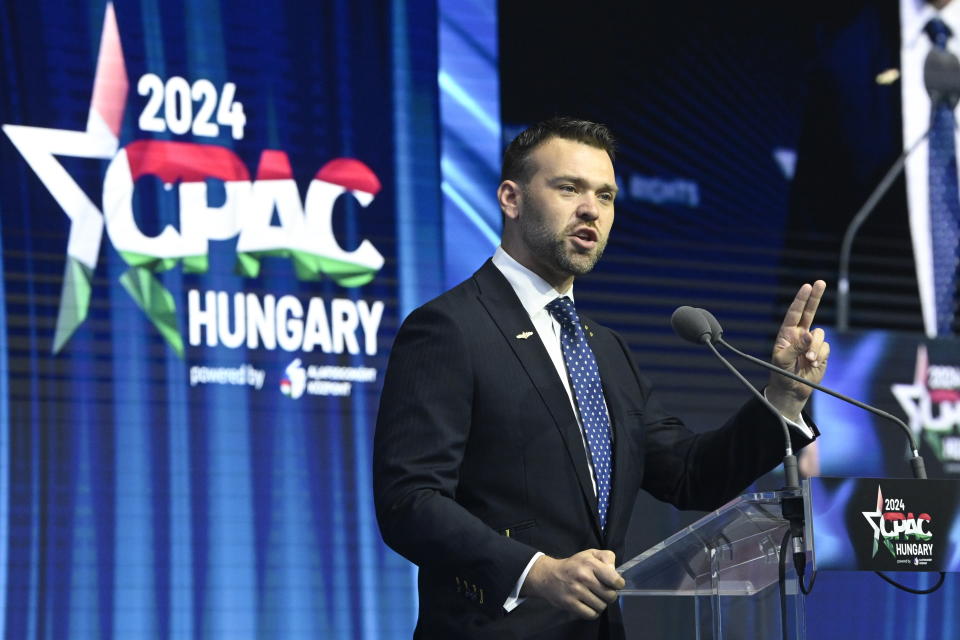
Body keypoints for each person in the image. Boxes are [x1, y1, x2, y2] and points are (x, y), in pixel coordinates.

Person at [374, 117, 828, 639]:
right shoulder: (450, 328)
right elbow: (409, 501)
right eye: (569, 188)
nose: (591, 208)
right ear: (511, 199)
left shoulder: (606, 349)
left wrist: (782, 398)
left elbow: (689, 476)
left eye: (606, 195)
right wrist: (537, 571)